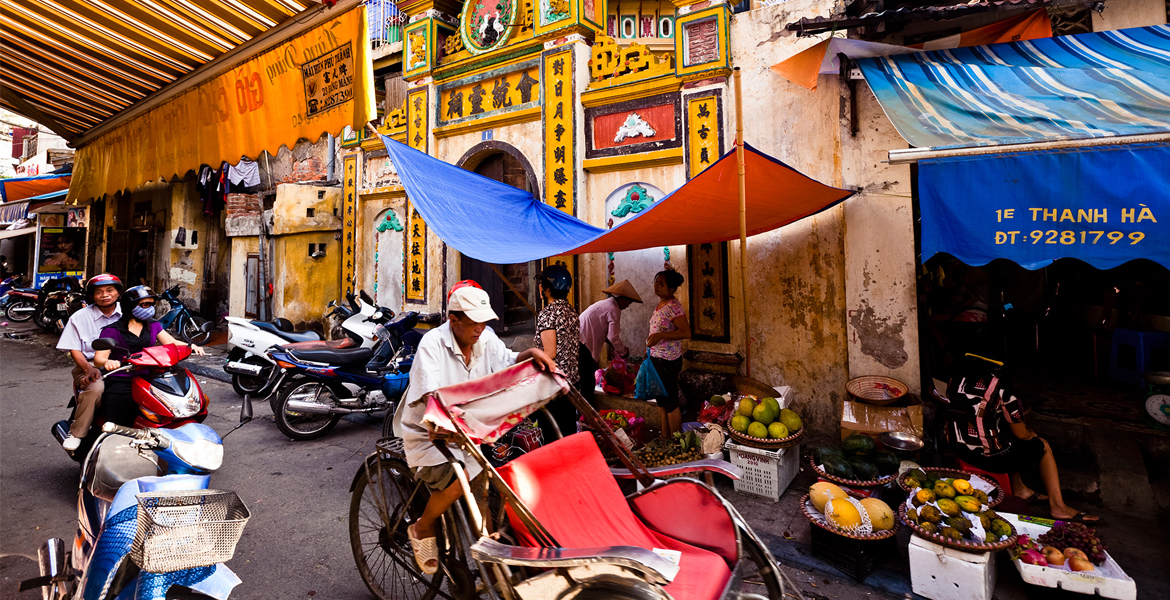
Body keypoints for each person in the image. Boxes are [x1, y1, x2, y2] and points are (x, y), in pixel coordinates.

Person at [392, 282, 555, 575]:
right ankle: (422, 526)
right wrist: (448, 425)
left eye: (483, 323)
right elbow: (433, 397)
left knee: (485, 487)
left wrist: (530, 353)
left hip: (469, 431)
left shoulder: (485, 338)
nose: (479, 329)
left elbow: (507, 361)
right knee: (463, 477)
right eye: (473, 324)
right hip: (429, 435)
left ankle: (491, 556)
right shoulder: (432, 343)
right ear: (453, 320)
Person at [946, 354, 1097, 522]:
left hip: (959, 449)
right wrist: (1033, 435)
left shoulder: (955, 380)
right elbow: (1022, 434)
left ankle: (1020, 489)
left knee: (1004, 437)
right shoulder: (1003, 389)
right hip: (988, 458)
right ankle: (1059, 507)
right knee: (1042, 446)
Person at [92, 286, 205, 427]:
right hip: (123, 378)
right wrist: (109, 362)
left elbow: (172, 343)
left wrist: (190, 346)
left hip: (150, 375)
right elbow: (99, 358)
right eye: (145, 305)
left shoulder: (153, 325)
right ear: (130, 305)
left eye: (152, 304)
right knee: (118, 415)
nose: (150, 308)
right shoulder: (111, 330)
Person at [56, 273, 124, 450]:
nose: (104, 295)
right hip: (90, 365)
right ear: (92, 296)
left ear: (118, 293)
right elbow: (74, 349)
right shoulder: (80, 317)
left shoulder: (128, 313)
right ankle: (77, 432)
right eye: (99, 292)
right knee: (96, 388)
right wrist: (88, 369)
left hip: (125, 364)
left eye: (109, 290)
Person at [533, 264, 581, 435]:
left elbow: (550, 353)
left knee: (551, 433)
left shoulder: (548, 314)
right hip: (572, 383)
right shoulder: (572, 312)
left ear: (546, 289)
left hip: (553, 385)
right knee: (568, 430)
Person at [578, 279, 643, 404]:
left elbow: (607, 334)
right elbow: (613, 337)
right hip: (584, 345)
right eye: (628, 304)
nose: (626, 307)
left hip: (580, 341)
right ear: (623, 299)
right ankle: (586, 417)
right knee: (588, 384)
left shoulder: (604, 304)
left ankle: (583, 415)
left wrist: (614, 346)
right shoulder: (614, 308)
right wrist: (623, 351)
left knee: (583, 381)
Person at [646, 269, 690, 439]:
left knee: (671, 402)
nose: (656, 285)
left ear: (671, 289)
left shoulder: (674, 307)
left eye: (661, 283)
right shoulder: (660, 305)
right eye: (656, 281)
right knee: (662, 401)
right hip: (656, 359)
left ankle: (677, 441)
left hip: (668, 360)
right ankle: (665, 437)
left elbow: (686, 332)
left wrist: (661, 335)